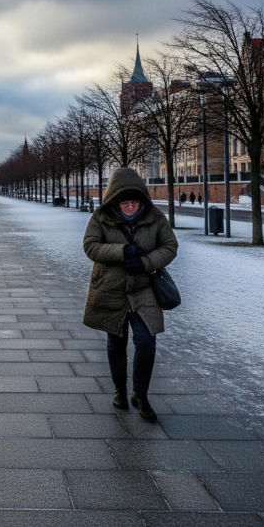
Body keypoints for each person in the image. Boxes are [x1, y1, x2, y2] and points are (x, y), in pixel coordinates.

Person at [83, 167, 178, 422]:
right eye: (124, 202)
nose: (129, 207)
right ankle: (119, 390)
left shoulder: (155, 217)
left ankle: (140, 395)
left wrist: (146, 262)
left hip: (144, 288)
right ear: (114, 200)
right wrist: (122, 251)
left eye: (134, 202)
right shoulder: (101, 217)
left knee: (146, 341)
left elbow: (170, 246)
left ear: (141, 200)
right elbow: (90, 246)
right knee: (116, 341)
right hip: (111, 288)